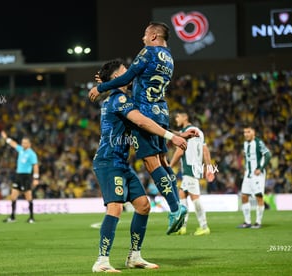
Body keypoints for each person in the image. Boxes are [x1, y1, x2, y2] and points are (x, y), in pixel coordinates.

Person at [88, 21, 190, 235]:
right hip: (162, 111)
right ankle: (177, 204)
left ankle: (175, 207)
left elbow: (127, 78)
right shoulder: (169, 58)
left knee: (152, 163)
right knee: (163, 160)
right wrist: (109, 79)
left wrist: (102, 87)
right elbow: (137, 80)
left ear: (154, 36)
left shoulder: (147, 52)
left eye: (145, 34)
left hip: (146, 112)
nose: (142, 39)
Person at [91, 59, 188, 272]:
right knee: (115, 207)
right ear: (118, 78)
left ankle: (134, 256)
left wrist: (177, 134)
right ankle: (102, 261)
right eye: (125, 71)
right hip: (108, 163)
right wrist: (172, 136)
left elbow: (148, 122)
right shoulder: (118, 100)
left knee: (143, 206)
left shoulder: (123, 98)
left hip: (122, 164)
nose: (130, 73)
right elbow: (143, 122)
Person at [169, 111, 215, 236]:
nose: (176, 119)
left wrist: (169, 166)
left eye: (177, 116)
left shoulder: (186, 132)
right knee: (182, 195)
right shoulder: (199, 131)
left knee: (195, 198)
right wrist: (209, 167)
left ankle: (204, 226)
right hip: (196, 168)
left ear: (185, 117)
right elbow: (205, 150)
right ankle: (182, 226)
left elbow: (179, 151)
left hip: (189, 168)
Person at [237, 125, 271, 229]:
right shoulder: (245, 144)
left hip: (257, 174)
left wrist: (260, 168)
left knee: (258, 197)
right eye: (244, 132)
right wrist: (245, 169)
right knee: (244, 196)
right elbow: (247, 158)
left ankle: (258, 222)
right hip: (248, 174)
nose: (246, 134)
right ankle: (247, 222)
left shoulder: (258, 142)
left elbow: (268, 154)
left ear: (253, 132)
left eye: (248, 132)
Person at [1, 130, 39, 224]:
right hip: (18, 175)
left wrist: (35, 178)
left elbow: (35, 166)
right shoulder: (21, 149)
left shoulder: (32, 154)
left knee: (28, 196)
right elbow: (13, 144)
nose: (23, 144)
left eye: (25, 143)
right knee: (13, 196)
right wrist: (6, 138)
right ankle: (13, 217)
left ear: (29, 144)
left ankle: (31, 217)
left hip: (26, 176)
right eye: (22, 142)